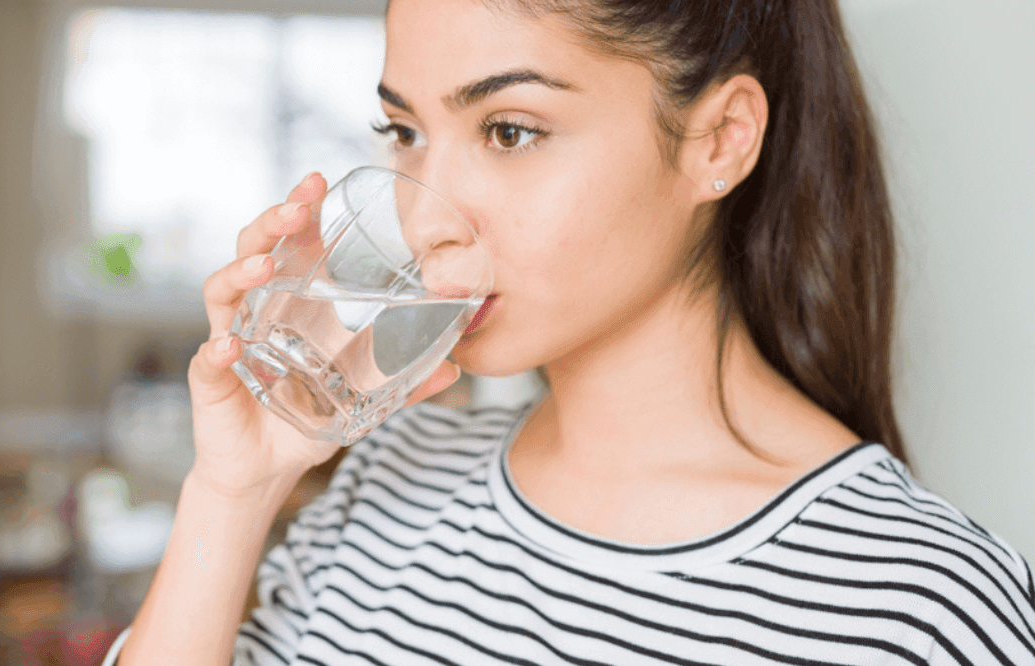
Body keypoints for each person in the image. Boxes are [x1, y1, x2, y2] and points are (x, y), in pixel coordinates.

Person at [106, 0, 1035, 663]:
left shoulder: (911, 606)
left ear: (718, 141)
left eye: (509, 131)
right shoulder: (394, 471)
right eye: (403, 131)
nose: (426, 220)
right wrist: (233, 490)